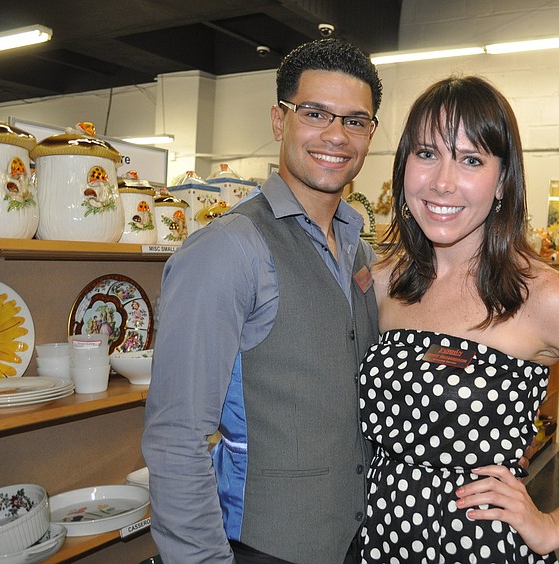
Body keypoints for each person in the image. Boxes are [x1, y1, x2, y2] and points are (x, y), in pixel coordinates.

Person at [359, 76, 559, 562]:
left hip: (477, 549)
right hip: (381, 543)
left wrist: (554, 526)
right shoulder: (385, 281)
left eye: (471, 160)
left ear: (502, 181)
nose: (442, 181)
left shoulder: (543, 297)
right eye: (427, 153)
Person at [142, 38, 383, 564]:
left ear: (370, 134)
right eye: (315, 113)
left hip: (352, 540)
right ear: (279, 120)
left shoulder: (359, 250)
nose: (336, 135)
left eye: (355, 121)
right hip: (261, 545)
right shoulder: (228, 249)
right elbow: (177, 436)